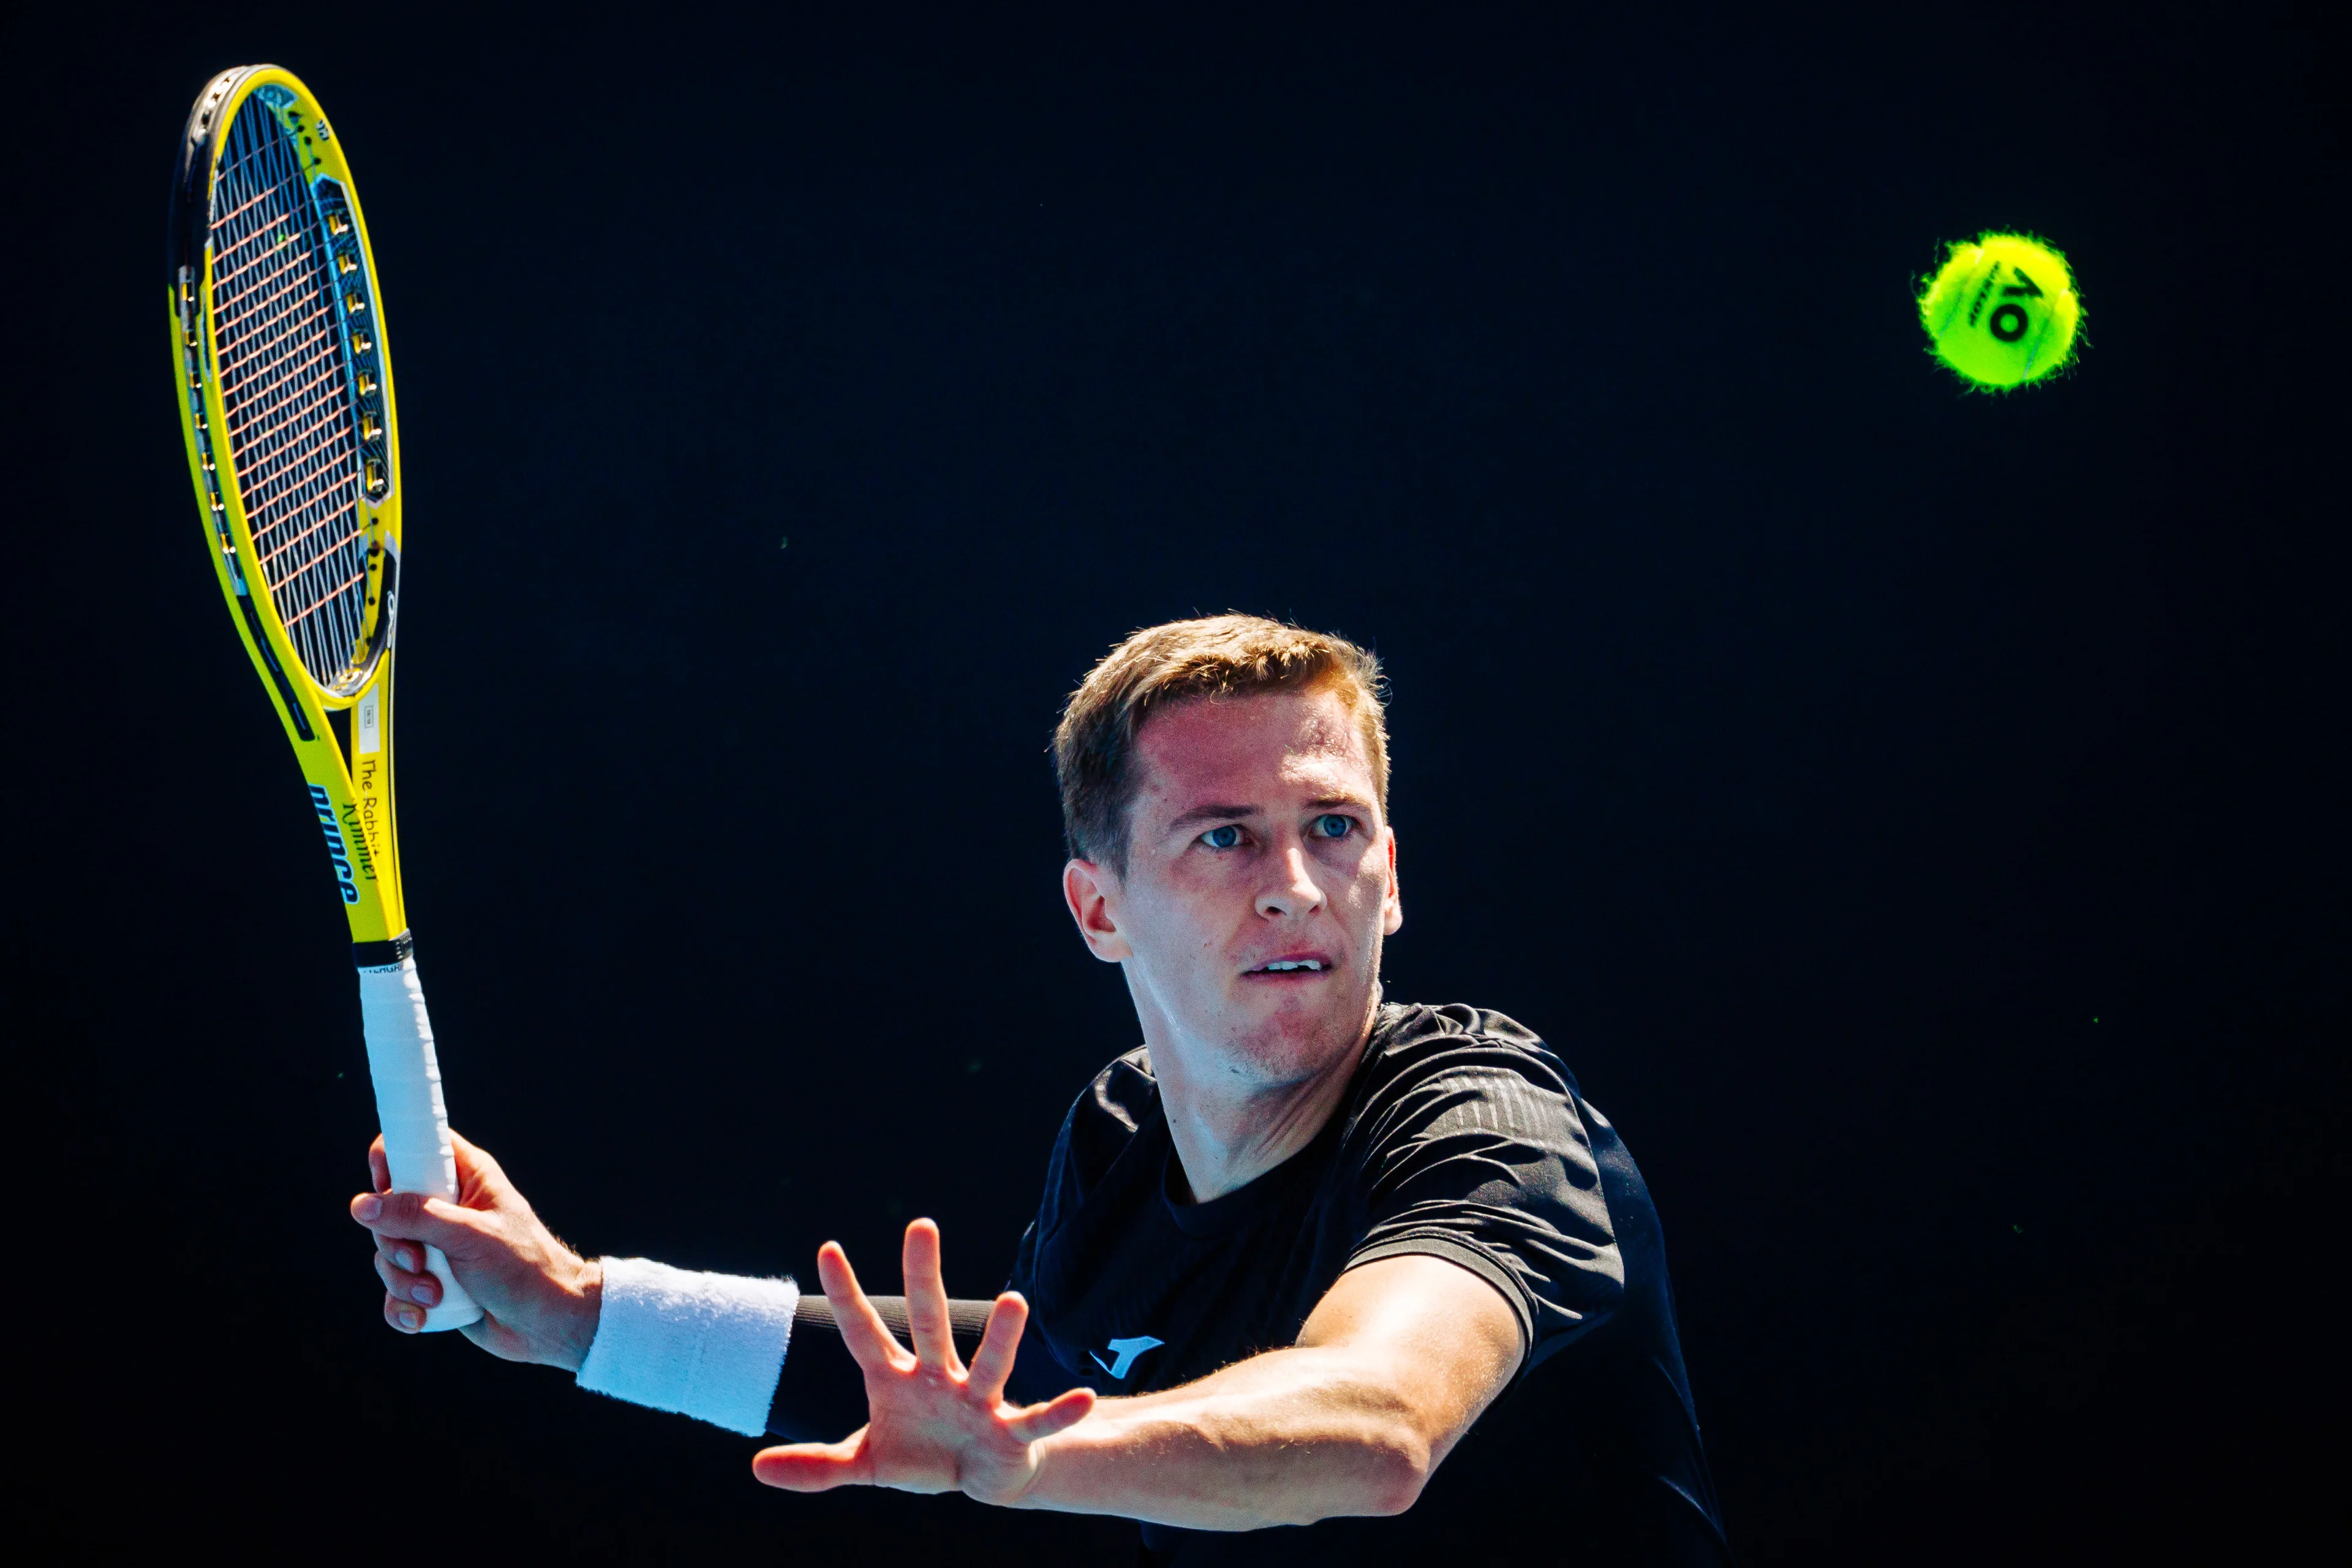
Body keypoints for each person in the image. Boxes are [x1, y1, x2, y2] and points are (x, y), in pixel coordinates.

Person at [351, 614, 1732, 1564]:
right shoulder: (1123, 1143)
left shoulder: (1487, 1126)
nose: (1296, 882)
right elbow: (1029, 1373)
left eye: (1334, 826)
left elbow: (1376, 1423)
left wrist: (1028, 1463)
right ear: (1099, 907)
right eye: (1223, 836)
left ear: (1393, 868)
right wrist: (590, 1312)